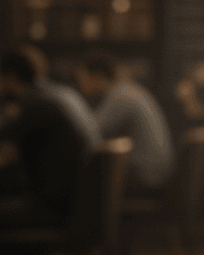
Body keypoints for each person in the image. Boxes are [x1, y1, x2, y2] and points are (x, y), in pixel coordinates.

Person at [0, 48, 92, 234]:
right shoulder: (44, 98)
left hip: (55, 208)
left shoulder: (34, 105)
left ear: (11, 77)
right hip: (71, 203)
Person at [74, 52, 173, 191]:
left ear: (97, 77)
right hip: (155, 171)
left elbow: (88, 130)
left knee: (81, 179)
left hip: (147, 175)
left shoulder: (121, 96)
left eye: (81, 78)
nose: (79, 84)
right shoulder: (129, 90)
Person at [20, 44, 101, 152]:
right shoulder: (66, 93)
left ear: (11, 77)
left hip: (76, 165)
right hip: (90, 162)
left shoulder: (39, 99)